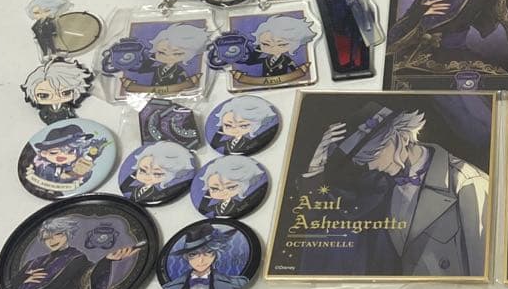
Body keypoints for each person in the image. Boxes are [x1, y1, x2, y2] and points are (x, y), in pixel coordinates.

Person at [305, 104, 489, 276]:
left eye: (373, 154)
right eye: (363, 162)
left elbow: (482, 272)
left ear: (401, 136)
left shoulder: (468, 183)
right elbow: (328, 215)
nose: (371, 166)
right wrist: (316, 168)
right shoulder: (379, 184)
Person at [14, 216, 139, 289]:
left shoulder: (77, 258)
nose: (52, 241)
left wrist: (106, 261)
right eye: (47, 238)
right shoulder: (35, 261)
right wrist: (22, 279)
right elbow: (11, 286)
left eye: (57, 234)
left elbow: (87, 278)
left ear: (68, 233)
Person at [160, 223, 248, 289]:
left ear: (216, 254)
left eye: (208, 252)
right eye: (193, 254)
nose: (201, 260)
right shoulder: (170, 288)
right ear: (186, 257)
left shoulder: (237, 284)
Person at [235, 14, 316, 77]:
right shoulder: (265, 59)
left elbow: (295, 70)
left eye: (281, 44)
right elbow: (251, 62)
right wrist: (256, 49)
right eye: (266, 44)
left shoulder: (286, 60)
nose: (273, 48)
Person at [120, 141, 194, 204]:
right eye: (143, 170)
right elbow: (125, 187)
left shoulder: (160, 194)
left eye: (157, 174)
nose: (147, 176)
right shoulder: (134, 189)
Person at [21, 59, 93, 124]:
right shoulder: (44, 112)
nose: (56, 98)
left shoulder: (68, 109)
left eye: (65, 93)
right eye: (44, 95)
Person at [196, 155, 264, 217]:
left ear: (244, 184)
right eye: (215, 188)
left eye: (230, 187)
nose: (222, 192)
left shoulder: (241, 205)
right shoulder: (214, 207)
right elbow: (203, 209)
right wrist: (207, 196)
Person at [209, 96, 279, 154]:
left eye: (243, 126)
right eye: (228, 125)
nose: (234, 129)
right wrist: (222, 129)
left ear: (256, 125)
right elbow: (215, 143)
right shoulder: (228, 142)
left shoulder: (250, 143)